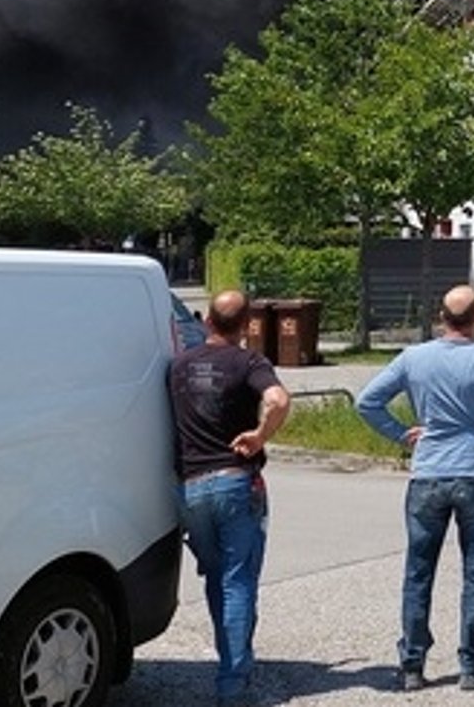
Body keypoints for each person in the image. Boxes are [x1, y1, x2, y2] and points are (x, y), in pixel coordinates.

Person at [356, 285, 474, 692]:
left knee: (419, 570)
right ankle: (473, 662)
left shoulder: (414, 358)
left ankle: (412, 664)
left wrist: (401, 434)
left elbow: (367, 401)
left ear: (441, 316)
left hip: (428, 471)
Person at [170, 290, 292, 706]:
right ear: (246, 327)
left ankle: (233, 659)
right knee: (238, 582)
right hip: (235, 481)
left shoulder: (179, 367)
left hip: (190, 488)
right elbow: (278, 400)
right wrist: (260, 435)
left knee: (217, 578)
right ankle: (233, 685)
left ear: (206, 321)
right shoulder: (249, 363)